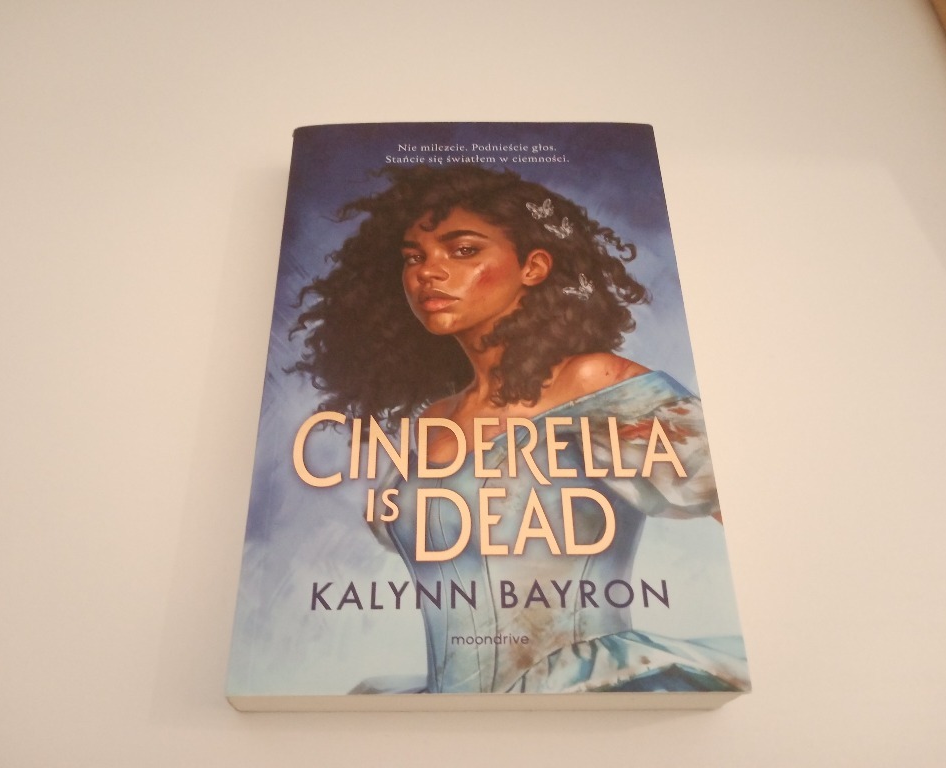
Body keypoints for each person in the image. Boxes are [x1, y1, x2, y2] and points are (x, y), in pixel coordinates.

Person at [293, 165, 748, 695]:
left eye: (463, 250)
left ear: (533, 267)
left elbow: (741, 505)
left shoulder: (594, 382)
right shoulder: (434, 421)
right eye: (414, 257)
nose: (429, 272)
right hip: (454, 709)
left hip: (590, 695)